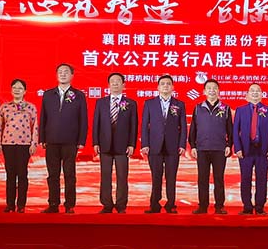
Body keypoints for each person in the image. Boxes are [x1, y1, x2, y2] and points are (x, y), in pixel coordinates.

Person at [39, 63, 88, 214]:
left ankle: (69, 205)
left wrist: (81, 140)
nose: (63, 74)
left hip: (70, 141)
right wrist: (42, 138)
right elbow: (43, 118)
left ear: (72, 75)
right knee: (53, 174)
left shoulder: (79, 95)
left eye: (66, 72)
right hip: (51, 140)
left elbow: (83, 119)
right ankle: (53, 204)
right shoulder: (48, 94)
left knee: (69, 174)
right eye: (60, 72)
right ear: (56, 75)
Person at [141, 75, 187, 214]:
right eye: (163, 84)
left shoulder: (179, 104)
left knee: (171, 177)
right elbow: (144, 125)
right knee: (156, 176)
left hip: (173, 146)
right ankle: (154, 204)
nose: (165, 86)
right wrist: (145, 144)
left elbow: (183, 126)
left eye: (168, 84)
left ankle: (171, 204)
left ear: (173, 87)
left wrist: (182, 144)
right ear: (158, 87)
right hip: (154, 145)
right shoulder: (150, 103)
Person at [92, 73, 138, 214]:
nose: (115, 83)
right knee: (105, 176)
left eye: (118, 81)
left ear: (124, 85)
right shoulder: (101, 103)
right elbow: (96, 124)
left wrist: (132, 144)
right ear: (108, 85)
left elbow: (133, 125)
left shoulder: (131, 103)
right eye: (112, 81)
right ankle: (106, 204)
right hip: (104, 144)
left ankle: (121, 205)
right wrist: (96, 142)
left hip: (122, 146)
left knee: (122, 176)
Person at [188, 79, 233, 214]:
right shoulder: (198, 108)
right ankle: (203, 206)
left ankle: (219, 206)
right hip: (202, 148)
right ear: (204, 91)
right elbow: (193, 129)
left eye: (214, 88)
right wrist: (193, 146)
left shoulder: (225, 108)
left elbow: (230, 129)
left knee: (219, 179)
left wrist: (229, 145)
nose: (212, 90)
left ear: (218, 91)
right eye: (209, 88)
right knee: (202, 179)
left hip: (219, 149)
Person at [0, 79, 38, 213]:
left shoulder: (31, 107)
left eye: (20, 88)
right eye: (14, 88)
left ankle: (21, 205)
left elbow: (35, 127)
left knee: (22, 174)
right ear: (11, 90)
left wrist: (34, 143)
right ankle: (10, 204)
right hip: (8, 144)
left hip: (24, 144)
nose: (17, 90)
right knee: (10, 175)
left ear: (25, 91)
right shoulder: (4, 107)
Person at [233, 83, 268, 215]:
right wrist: (238, 148)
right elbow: (235, 131)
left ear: (262, 94)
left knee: (262, 179)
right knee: (245, 178)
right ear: (247, 94)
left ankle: (259, 207)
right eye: (252, 90)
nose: (255, 93)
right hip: (245, 150)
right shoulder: (240, 110)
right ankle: (247, 206)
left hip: (263, 150)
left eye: (258, 91)